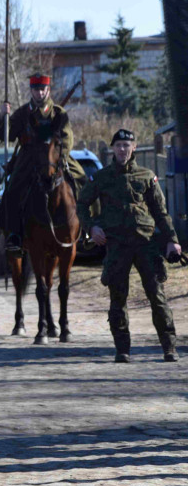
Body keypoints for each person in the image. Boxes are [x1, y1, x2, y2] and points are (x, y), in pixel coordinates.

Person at [77, 128, 181, 363]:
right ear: (113, 149)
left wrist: (172, 241)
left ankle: (169, 347)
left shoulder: (146, 176)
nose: (122, 149)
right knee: (118, 298)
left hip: (146, 244)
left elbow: (161, 212)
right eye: (119, 145)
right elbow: (82, 205)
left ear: (134, 148)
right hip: (116, 246)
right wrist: (92, 228)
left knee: (157, 296)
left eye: (127, 145)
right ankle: (122, 349)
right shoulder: (101, 178)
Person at [0, 73, 86, 253]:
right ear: (31, 91)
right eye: (36, 89)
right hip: (28, 157)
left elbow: (67, 138)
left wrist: (60, 157)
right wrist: (2, 117)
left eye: (43, 89)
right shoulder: (22, 113)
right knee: (12, 190)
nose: (39, 93)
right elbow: (4, 137)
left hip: (55, 158)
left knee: (81, 181)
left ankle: (87, 228)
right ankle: (13, 234)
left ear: (48, 90)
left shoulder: (58, 113)